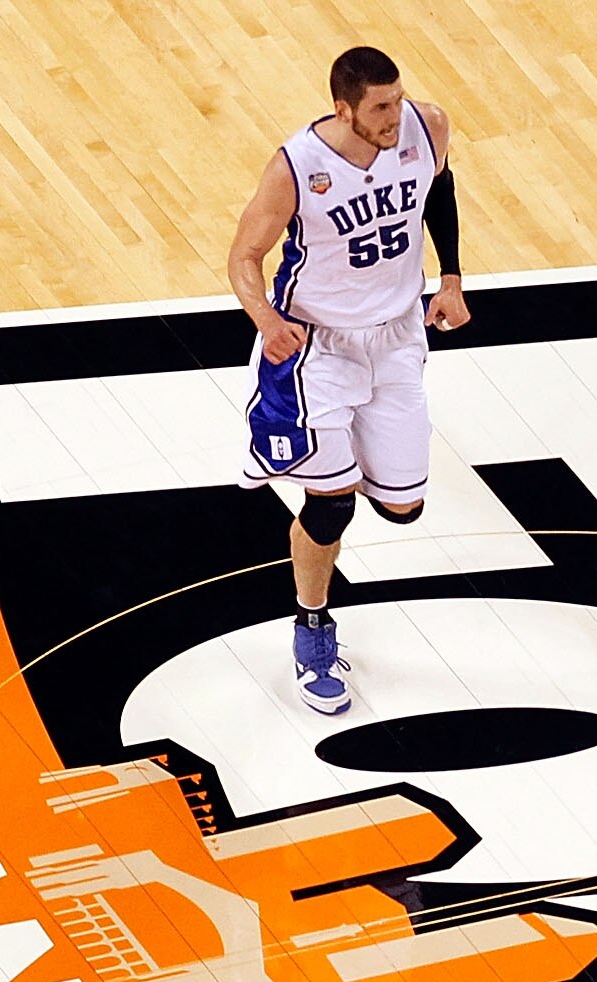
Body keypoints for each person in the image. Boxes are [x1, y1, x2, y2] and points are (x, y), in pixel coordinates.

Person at [223, 46, 469, 714]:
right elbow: (244, 254)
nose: (395, 115)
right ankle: (311, 628)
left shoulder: (427, 126)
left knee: (403, 507)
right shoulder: (297, 167)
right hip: (316, 346)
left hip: (397, 334)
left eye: (398, 98)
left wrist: (450, 277)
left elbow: (439, 187)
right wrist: (265, 318)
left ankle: (338, 460)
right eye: (380, 107)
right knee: (332, 504)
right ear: (344, 109)